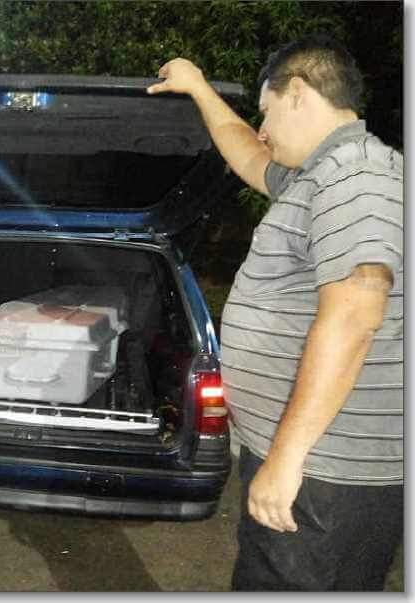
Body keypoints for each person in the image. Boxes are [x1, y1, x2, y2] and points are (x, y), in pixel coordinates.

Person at [148, 35, 403, 591]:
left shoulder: (358, 175)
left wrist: (287, 459)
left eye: (266, 111)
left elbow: (355, 317)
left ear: (299, 93)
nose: (262, 129)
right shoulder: (318, 175)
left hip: (324, 472)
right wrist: (198, 88)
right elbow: (247, 154)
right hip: (313, 464)